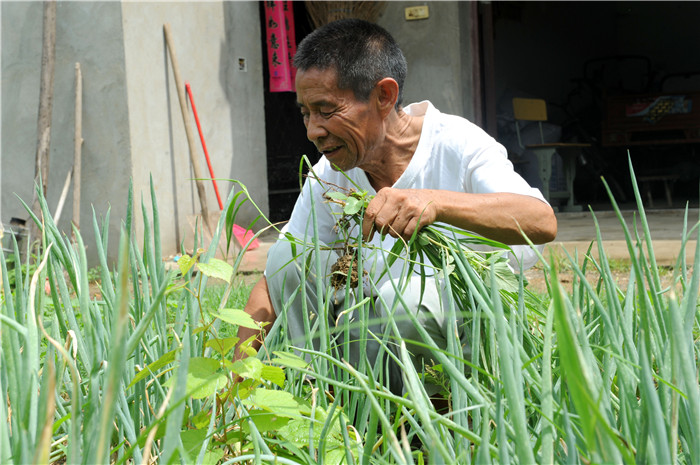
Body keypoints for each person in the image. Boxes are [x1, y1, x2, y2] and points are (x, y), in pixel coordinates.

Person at [237, 18, 557, 390]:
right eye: (306, 113)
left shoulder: (457, 144)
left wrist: (433, 201)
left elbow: (541, 220)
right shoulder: (330, 172)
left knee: (403, 299)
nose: (312, 131)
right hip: (375, 350)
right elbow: (276, 280)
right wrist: (227, 391)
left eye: (326, 110)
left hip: (463, 348)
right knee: (287, 259)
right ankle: (328, 400)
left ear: (384, 97)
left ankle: (434, 425)